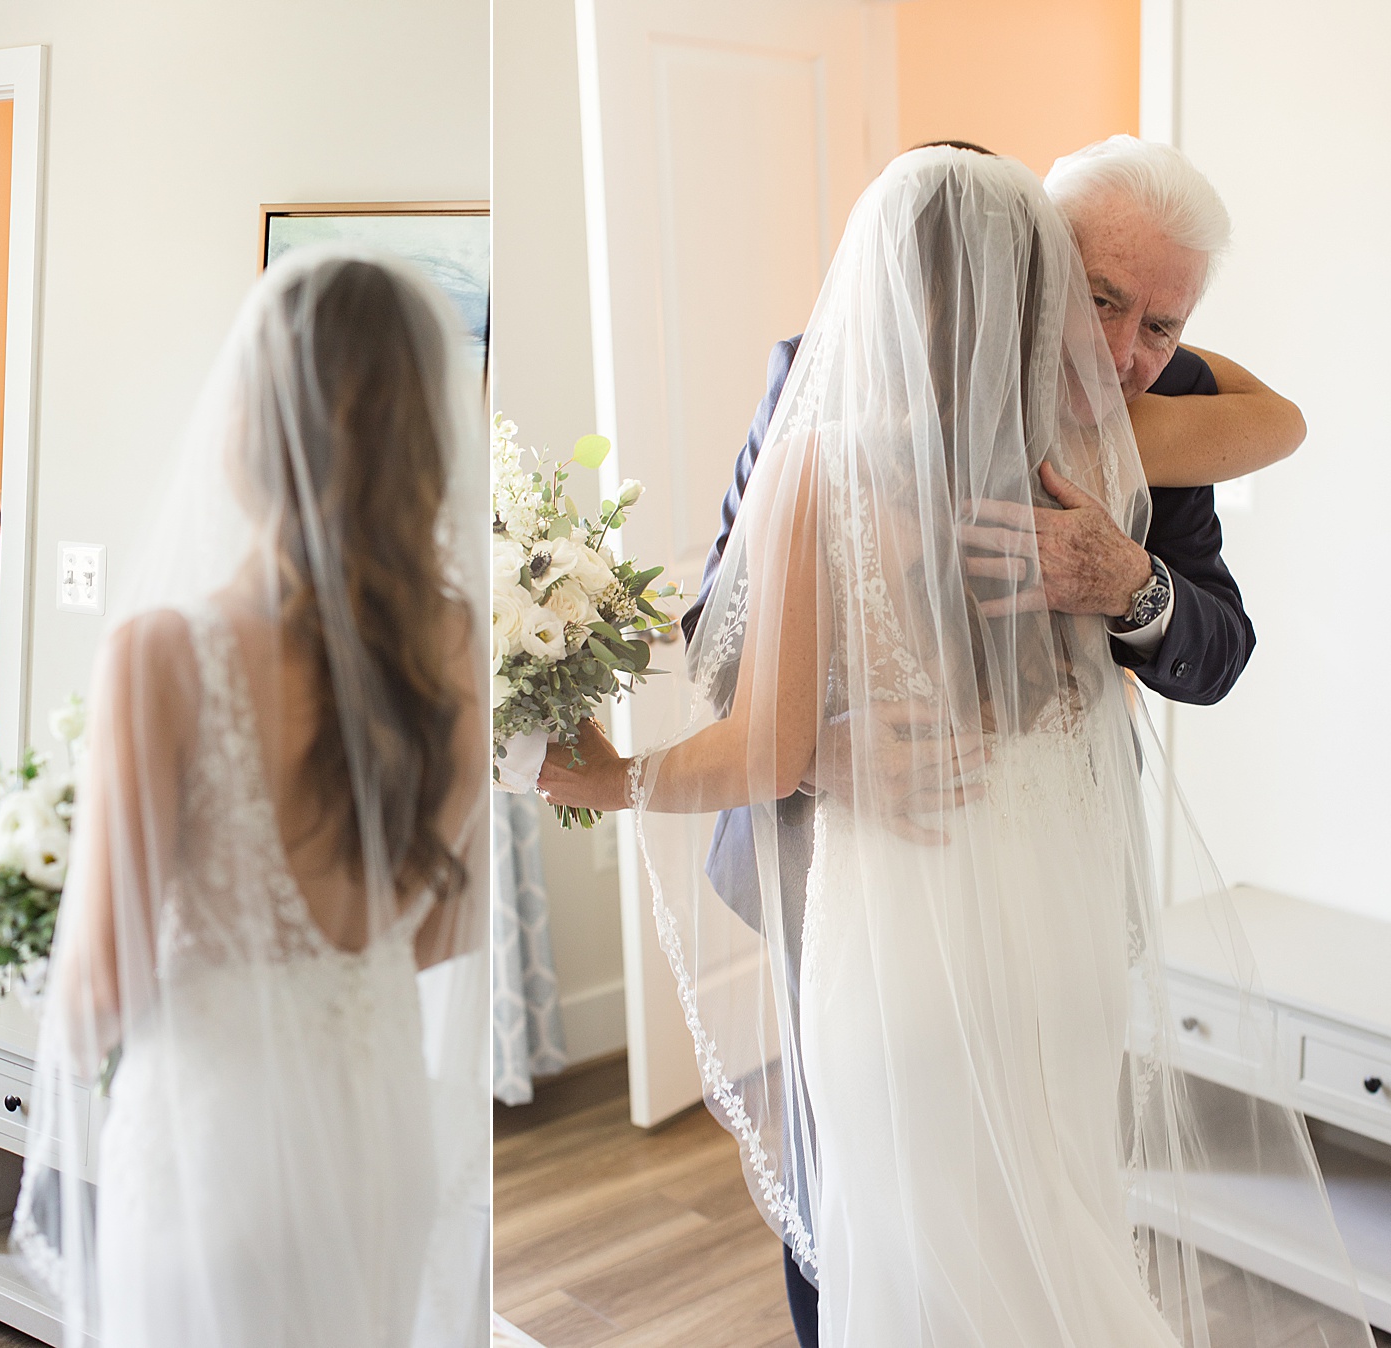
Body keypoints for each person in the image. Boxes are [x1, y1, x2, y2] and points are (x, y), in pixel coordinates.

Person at [540, 149, 1368, 1345]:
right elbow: (716, 627)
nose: (1134, 351)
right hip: (876, 859)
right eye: (1100, 300)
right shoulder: (845, 389)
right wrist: (829, 739)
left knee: (955, 1213)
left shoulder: (1133, 420)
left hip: (1023, 886)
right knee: (924, 1212)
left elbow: (1220, 638)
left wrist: (1135, 583)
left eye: (1168, 324)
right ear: (1036, 269)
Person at [11, 249, 490, 1347]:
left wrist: (31, 913)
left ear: (253, 428)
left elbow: (98, 995)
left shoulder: (166, 654)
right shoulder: (461, 639)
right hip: (379, 1137)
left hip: (214, 1154)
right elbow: (445, 925)